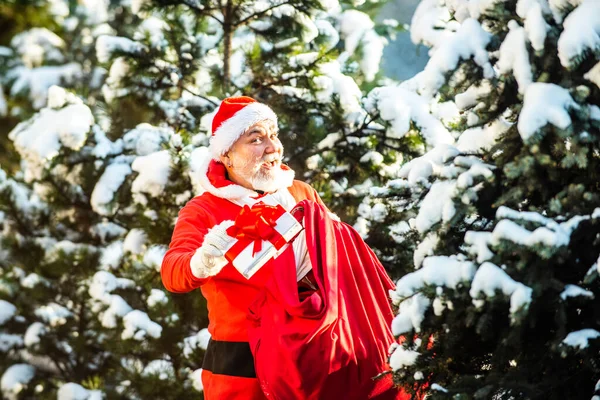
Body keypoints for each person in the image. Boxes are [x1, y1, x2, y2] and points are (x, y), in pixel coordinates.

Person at [161, 96, 325, 400]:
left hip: (310, 354)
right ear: (226, 155)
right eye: (256, 138)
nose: (272, 146)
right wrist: (203, 261)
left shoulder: (301, 193)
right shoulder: (204, 210)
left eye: (273, 135)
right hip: (240, 366)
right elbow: (172, 272)